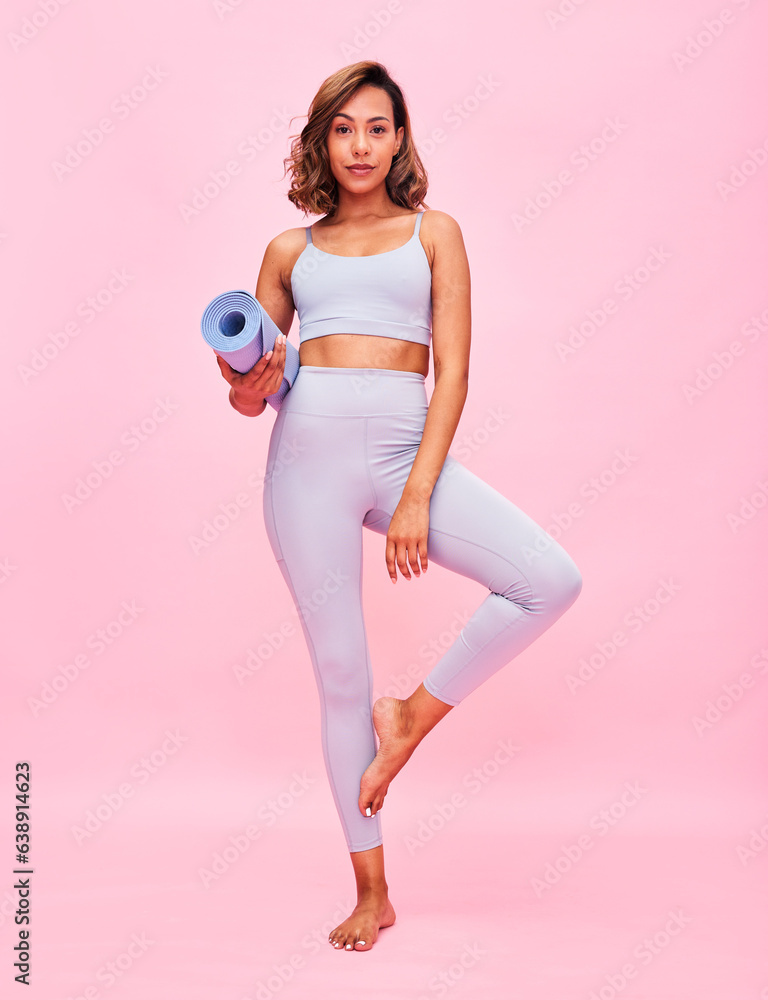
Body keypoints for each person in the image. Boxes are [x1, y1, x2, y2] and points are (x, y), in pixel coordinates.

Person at [214, 60, 583, 953]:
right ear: (321, 141)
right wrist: (245, 377)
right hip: (305, 467)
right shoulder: (287, 253)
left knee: (549, 579)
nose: (361, 145)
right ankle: (372, 892)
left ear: (401, 138)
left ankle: (413, 714)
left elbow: (452, 370)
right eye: (343, 129)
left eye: (377, 127)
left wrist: (418, 491)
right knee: (341, 676)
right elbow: (244, 398)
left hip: (401, 455)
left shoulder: (436, 234)